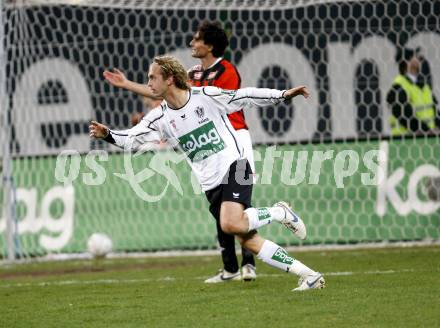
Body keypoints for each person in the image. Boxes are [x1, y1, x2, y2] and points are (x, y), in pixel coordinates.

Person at [90, 55, 325, 292]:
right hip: (210, 184)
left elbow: (245, 96)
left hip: (236, 165)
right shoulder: (159, 117)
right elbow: (131, 139)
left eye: (153, 77)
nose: (148, 83)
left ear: (169, 79)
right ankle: (309, 275)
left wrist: (282, 95)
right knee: (248, 240)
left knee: (230, 222)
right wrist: (107, 133)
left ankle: (279, 212)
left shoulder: (205, 96)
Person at [104, 21, 257, 283]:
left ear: (209, 45)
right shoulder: (194, 73)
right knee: (219, 206)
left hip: (234, 138)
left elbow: (226, 103)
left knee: (238, 203)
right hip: (207, 143)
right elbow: (166, 93)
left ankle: (249, 263)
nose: (191, 43)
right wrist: (128, 84)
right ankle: (230, 267)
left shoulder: (227, 70)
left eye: (197, 39)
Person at [386, 47, 440, 136]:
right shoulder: (398, 86)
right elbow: (404, 115)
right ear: (407, 62)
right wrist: (427, 131)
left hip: (428, 139)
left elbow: (434, 111)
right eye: (414, 56)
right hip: (406, 140)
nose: (418, 59)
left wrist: (437, 127)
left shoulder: (424, 86)